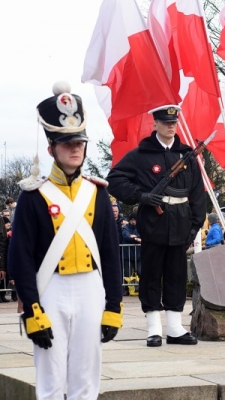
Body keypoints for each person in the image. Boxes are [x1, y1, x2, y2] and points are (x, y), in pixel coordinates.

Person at [7, 82, 123, 399]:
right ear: (51, 149)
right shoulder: (33, 195)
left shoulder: (97, 192)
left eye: (79, 142)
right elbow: (21, 258)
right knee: (50, 379)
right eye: (66, 143)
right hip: (51, 289)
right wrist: (32, 309)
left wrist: (113, 305)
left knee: (86, 378)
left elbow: (110, 254)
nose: (75, 148)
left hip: (89, 288)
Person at [107, 104, 206, 347]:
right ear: (155, 124)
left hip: (181, 222)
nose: (171, 126)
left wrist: (195, 225)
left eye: (174, 122)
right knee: (151, 275)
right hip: (153, 223)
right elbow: (115, 180)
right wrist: (141, 196)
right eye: (165, 122)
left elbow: (196, 193)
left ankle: (174, 328)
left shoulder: (187, 156)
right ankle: (153, 328)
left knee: (176, 275)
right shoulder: (141, 155)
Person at [122, 212, 142, 277]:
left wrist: (134, 237)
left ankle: (141, 287)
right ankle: (127, 287)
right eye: (132, 220)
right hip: (128, 256)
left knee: (140, 272)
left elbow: (143, 236)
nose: (133, 222)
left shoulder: (140, 227)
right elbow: (126, 235)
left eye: (135, 220)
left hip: (139, 256)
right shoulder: (125, 228)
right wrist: (136, 239)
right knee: (128, 274)